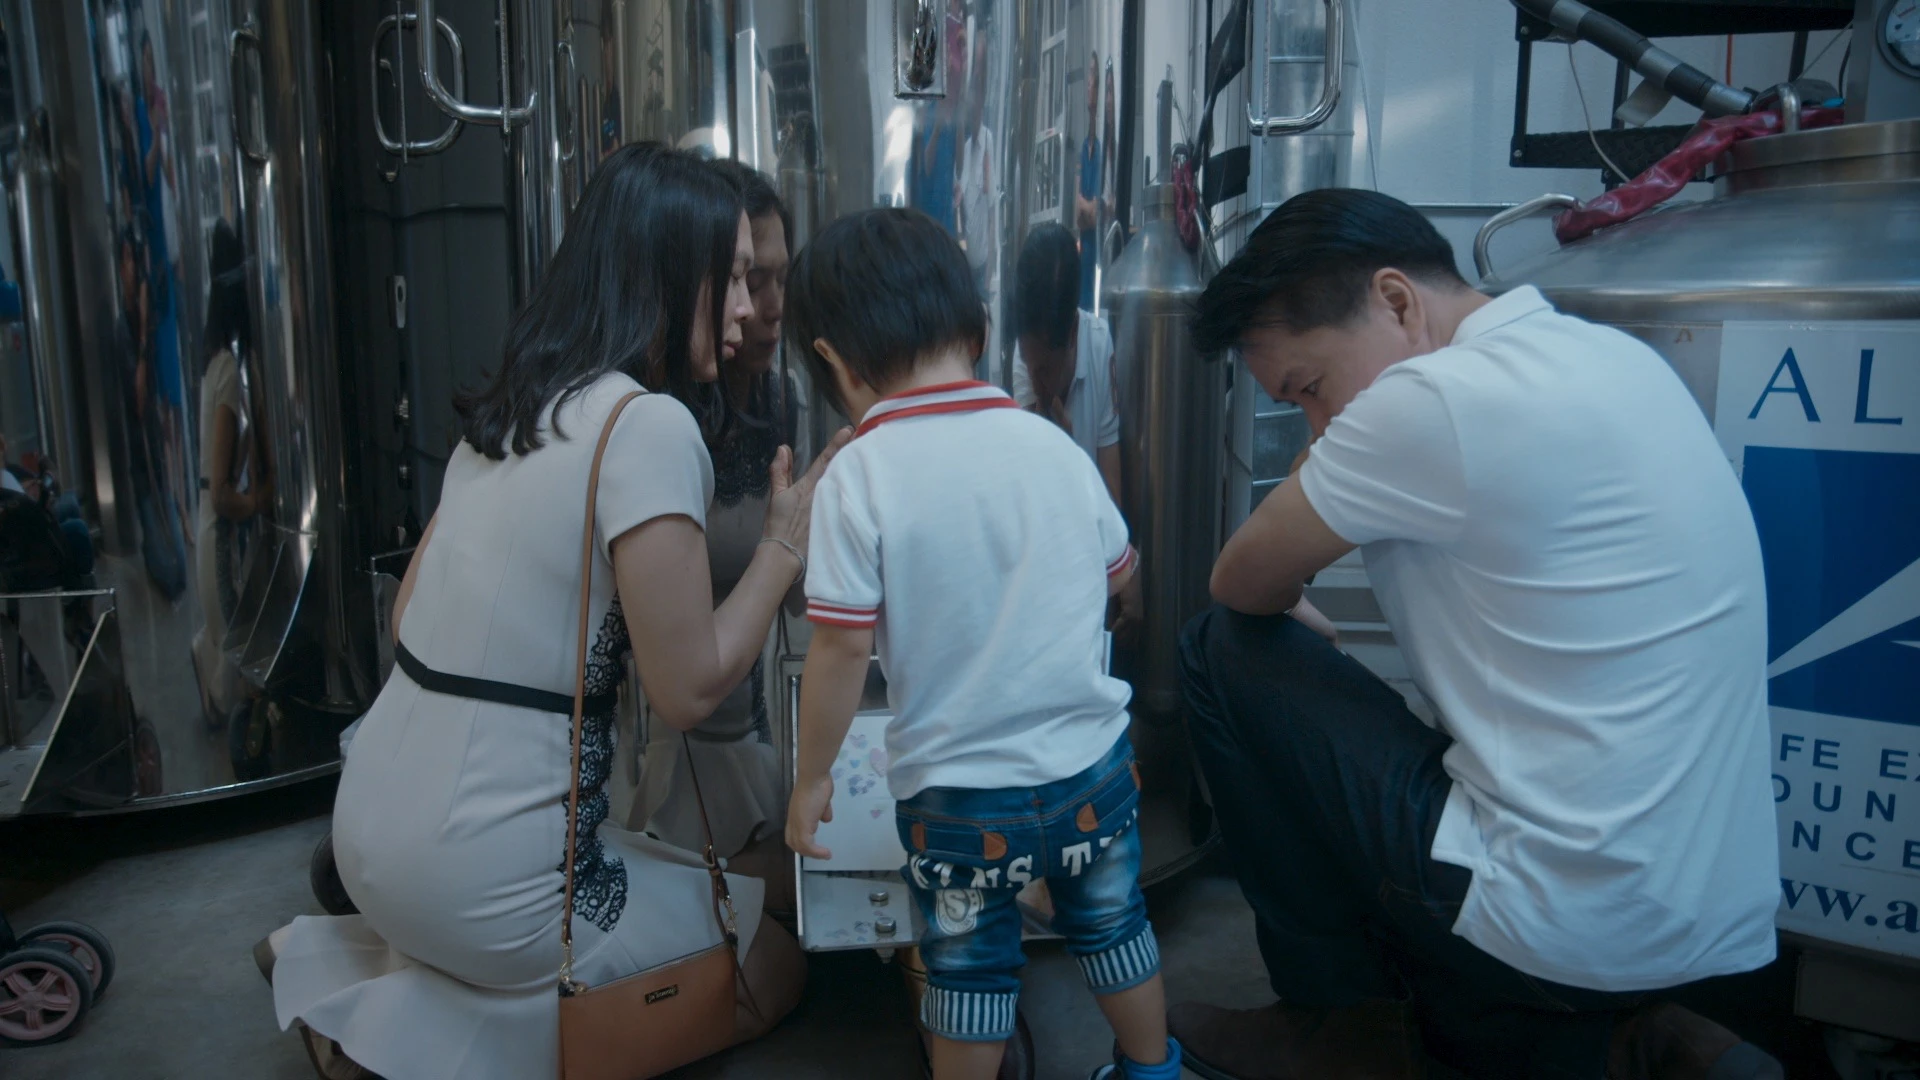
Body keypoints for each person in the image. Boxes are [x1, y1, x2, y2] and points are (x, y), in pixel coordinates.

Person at [259, 144, 845, 1080]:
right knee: (770, 968)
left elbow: (407, 616)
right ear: (668, 272)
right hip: (490, 876)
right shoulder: (648, 426)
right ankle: (379, 1036)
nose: (747, 308)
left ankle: (355, 965)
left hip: (366, 829)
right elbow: (688, 691)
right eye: (734, 277)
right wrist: (783, 545)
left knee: (705, 877)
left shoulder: (513, 408)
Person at [1168, 189, 1782, 1080]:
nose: (1320, 425)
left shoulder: (1432, 398)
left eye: (1310, 388)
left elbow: (1239, 580)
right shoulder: (1611, 355)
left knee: (1223, 648)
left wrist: (1293, 566)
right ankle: (1633, 1044)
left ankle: (1331, 1025)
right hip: (1707, 922)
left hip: (1570, 921)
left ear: (1397, 301)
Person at [781, 207, 1179, 1080]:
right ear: (979, 332)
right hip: (1091, 774)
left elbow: (841, 652)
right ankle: (1152, 1069)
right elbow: (1122, 574)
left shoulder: (858, 475)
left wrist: (812, 780)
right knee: (1115, 928)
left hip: (963, 804)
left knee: (969, 973)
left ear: (834, 364)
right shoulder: (1053, 447)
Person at [630, 159, 800, 919]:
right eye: (748, 280)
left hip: (750, 731)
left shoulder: (780, 401)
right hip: (664, 746)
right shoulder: (658, 415)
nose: (767, 308)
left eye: (781, 279)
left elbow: (793, 592)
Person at [191, 221, 269, 728]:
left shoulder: (214, 365)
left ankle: (206, 663)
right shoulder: (225, 373)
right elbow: (221, 492)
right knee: (237, 655)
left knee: (231, 642)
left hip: (210, 531)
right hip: (217, 534)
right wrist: (261, 499)